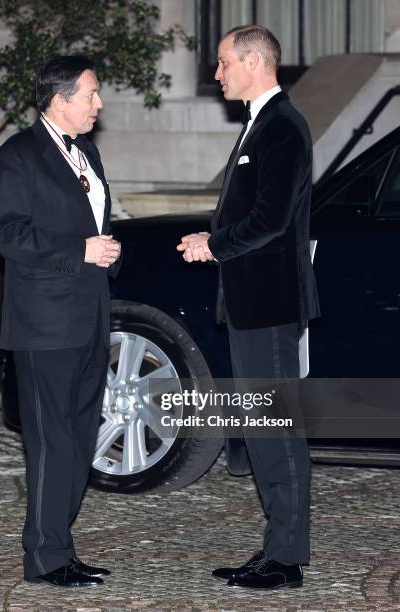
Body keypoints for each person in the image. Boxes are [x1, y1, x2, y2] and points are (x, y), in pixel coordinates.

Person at [176, 25, 320, 590]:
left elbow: (273, 219)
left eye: (222, 62)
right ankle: (275, 551)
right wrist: (208, 241)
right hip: (250, 303)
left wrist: (212, 244)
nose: (217, 74)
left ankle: (286, 561)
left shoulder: (282, 126)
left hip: (269, 303)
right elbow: (255, 215)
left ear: (255, 62)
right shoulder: (262, 124)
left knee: (277, 430)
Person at [0, 55, 121, 588]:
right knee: (50, 441)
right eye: (90, 93)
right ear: (59, 99)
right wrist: (80, 250)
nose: (99, 103)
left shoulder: (87, 153)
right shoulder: (18, 155)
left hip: (90, 317)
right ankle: (44, 557)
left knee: (81, 436)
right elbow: (6, 233)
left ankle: (59, 544)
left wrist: (108, 251)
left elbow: (96, 226)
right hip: (43, 325)